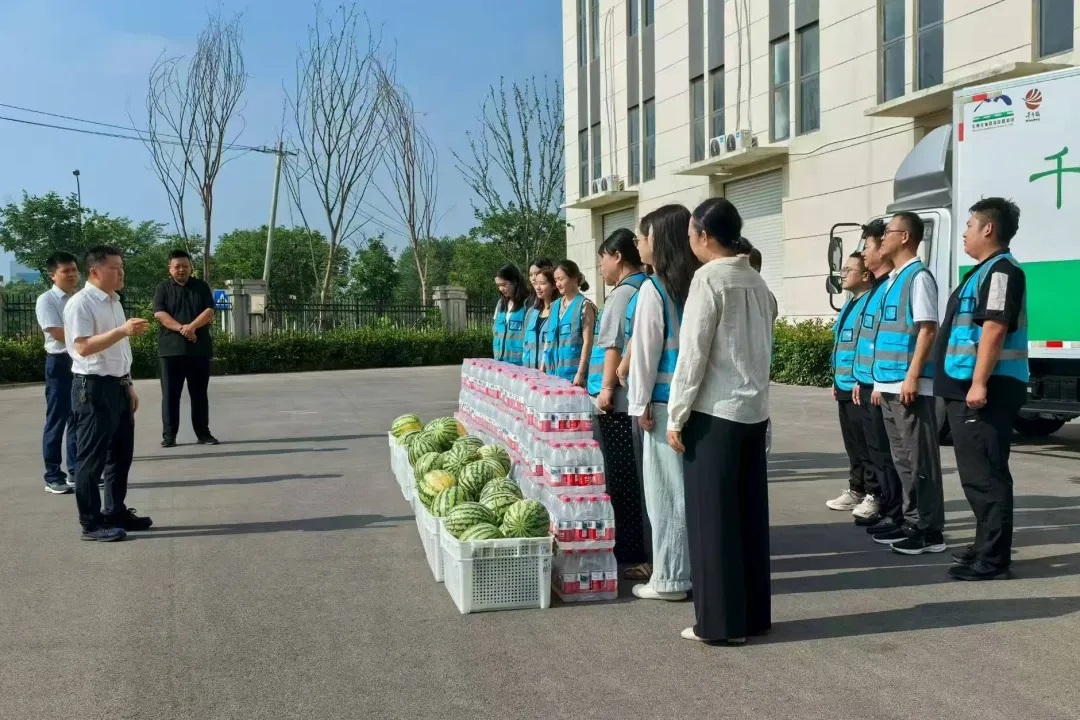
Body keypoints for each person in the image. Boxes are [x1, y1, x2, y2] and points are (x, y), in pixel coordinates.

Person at [667, 197, 776, 644]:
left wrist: (677, 414)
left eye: (691, 233)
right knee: (748, 518)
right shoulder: (757, 280)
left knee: (712, 522)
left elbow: (693, 353)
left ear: (705, 237)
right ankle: (753, 616)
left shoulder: (709, 278)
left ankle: (718, 625)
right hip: (753, 412)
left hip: (714, 413)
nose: (690, 241)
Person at [933, 198, 1027, 581]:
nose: (965, 233)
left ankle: (993, 560)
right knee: (976, 475)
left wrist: (978, 383)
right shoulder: (983, 271)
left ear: (988, 229)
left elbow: (994, 328)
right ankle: (984, 544)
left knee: (986, 476)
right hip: (966, 388)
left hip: (986, 391)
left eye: (970, 225)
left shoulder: (1002, 272)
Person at [627, 203, 698, 601]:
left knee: (665, 495)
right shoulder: (696, 284)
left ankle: (669, 578)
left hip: (662, 405)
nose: (638, 243)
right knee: (690, 494)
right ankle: (693, 570)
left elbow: (645, 353)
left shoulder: (653, 290)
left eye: (643, 236)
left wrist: (638, 403)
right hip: (695, 404)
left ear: (660, 240)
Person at [864, 211, 946, 556]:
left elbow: (927, 328)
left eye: (888, 232)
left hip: (908, 385)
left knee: (919, 460)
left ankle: (930, 530)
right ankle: (912, 521)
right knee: (903, 460)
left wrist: (912, 375)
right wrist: (877, 382)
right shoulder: (893, 280)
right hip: (888, 384)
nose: (883, 238)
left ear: (905, 237)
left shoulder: (918, 277)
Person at [64, 246, 152, 542]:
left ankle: (115, 511)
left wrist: (128, 384)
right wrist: (123, 331)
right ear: (95, 271)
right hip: (93, 388)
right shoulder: (81, 303)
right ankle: (90, 523)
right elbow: (83, 347)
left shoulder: (114, 301)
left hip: (118, 386)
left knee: (120, 455)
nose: (121, 272)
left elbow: (118, 351)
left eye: (121, 266)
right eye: (115, 268)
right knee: (91, 459)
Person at [586, 229, 649, 566]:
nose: (601, 269)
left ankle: (630, 547)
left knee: (623, 475)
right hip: (637, 399)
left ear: (617, 256)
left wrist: (607, 388)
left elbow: (613, 346)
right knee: (637, 473)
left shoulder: (623, 294)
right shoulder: (647, 287)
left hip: (618, 401)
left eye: (602, 261)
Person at [851, 221, 904, 530]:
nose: (864, 253)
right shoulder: (875, 290)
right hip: (868, 381)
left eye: (868, 246)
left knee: (887, 454)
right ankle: (886, 506)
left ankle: (895, 511)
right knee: (875, 451)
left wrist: (876, 381)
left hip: (880, 383)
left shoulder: (889, 287)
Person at [826, 252, 880, 516]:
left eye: (849, 270)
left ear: (866, 275)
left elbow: (866, 345)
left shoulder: (870, 302)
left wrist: (862, 378)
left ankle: (873, 493)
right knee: (852, 444)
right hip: (844, 383)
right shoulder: (850, 303)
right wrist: (835, 379)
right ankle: (856, 489)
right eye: (843, 269)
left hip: (859, 385)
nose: (843, 274)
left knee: (866, 443)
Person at [153, 249, 218, 447]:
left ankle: (203, 433)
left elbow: (209, 310)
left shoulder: (201, 286)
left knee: (199, 394)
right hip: (170, 350)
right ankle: (169, 435)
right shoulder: (163, 288)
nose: (181, 270)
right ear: (170, 268)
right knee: (170, 395)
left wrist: (192, 327)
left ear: (191, 267)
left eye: (185, 266)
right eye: (177, 266)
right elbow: (160, 314)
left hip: (199, 349)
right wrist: (183, 329)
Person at [35, 251, 81, 494]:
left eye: (74, 270)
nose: (72, 274)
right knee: (57, 419)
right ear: (53, 275)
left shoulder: (80, 298)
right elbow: (55, 331)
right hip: (60, 363)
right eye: (66, 271)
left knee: (78, 418)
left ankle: (75, 471)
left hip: (80, 361)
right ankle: (53, 475)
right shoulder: (47, 300)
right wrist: (87, 340)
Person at [542, 260, 596, 386]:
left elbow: (588, 342)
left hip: (573, 377)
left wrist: (580, 373)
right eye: (556, 280)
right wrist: (542, 367)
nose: (558, 284)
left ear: (574, 279)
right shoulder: (554, 306)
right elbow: (548, 341)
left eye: (561, 279)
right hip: (552, 374)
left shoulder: (585, 306)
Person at [492, 264, 529, 366]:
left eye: (504, 284)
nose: (501, 289)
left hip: (519, 364)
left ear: (514, 282)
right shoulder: (500, 303)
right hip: (499, 361)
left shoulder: (528, 303)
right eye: (498, 285)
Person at [522, 265, 559, 370]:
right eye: (536, 283)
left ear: (554, 285)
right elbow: (525, 343)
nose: (538, 287)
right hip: (530, 371)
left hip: (550, 372)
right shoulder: (531, 312)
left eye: (542, 283)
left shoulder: (559, 312)